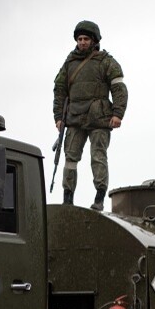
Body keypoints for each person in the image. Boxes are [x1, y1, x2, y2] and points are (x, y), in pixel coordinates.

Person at [53, 20, 128, 211]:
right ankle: (68, 198)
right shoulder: (69, 63)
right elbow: (59, 90)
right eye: (79, 39)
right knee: (70, 159)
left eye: (86, 39)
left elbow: (119, 88)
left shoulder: (106, 62)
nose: (82, 42)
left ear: (94, 40)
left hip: (99, 118)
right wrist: (58, 117)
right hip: (75, 118)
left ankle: (99, 197)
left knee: (98, 157)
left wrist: (118, 113)